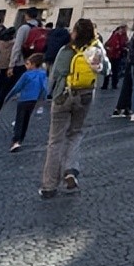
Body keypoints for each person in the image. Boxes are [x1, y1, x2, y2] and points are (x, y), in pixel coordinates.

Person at [38, 17, 106, 197]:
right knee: (75, 133)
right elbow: (104, 70)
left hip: (63, 96)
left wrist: (48, 94)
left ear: (75, 32)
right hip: (84, 96)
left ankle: (49, 186)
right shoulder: (95, 50)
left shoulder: (66, 50)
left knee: (55, 140)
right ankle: (70, 170)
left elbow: (56, 73)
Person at [0, 9, 39, 123]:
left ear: (27, 15)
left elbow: (17, 47)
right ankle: (21, 120)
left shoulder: (24, 28)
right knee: (28, 93)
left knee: (4, 91)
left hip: (20, 64)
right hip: (33, 64)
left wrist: (11, 65)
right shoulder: (39, 28)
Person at [3, 54, 48, 152]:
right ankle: (20, 139)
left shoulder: (26, 75)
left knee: (19, 119)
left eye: (27, 64)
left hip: (23, 99)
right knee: (26, 119)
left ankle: (15, 140)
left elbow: (17, 87)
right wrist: (42, 100)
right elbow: (44, 88)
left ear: (33, 64)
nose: (26, 66)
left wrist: (8, 97)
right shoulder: (42, 74)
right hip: (33, 101)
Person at [103, 24, 128, 90]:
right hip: (114, 55)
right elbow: (110, 43)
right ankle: (109, 84)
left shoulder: (121, 36)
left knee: (114, 70)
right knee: (113, 70)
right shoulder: (117, 36)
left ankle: (110, 84)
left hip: (115, 55)